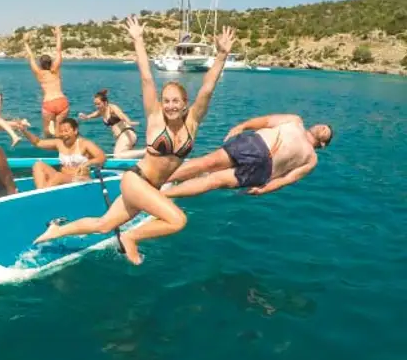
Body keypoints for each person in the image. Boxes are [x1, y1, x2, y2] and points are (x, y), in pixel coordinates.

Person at [33, 15, 237, 264]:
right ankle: (130, 238)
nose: (170, 105)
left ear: (185, 105)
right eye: (167, 100)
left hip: (149, 189)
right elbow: (147, 78)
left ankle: (56, 231)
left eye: (176, 101)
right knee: (178, 220)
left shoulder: (193, 121)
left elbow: (207, 88)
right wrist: (138, 40)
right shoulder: (155, 118)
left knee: (104, 225)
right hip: (136, 180)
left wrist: (222, 55)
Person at [161, 114, 333, 197]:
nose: (324, 127)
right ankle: (157, 181)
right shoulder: (296, 121)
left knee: (213, 181)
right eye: (324, 125)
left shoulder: (312, 159)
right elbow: (266, 121)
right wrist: (244, 126)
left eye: (327, 132)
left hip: (263, 171)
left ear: (323, 144)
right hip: (255, 145)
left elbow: (288, 178)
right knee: (208, 162)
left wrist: (265, 189)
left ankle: (161, 196)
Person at [16, 117, 106, 189]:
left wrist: (87, 163)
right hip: (63, 177)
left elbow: (102, 157)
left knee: (58, 176)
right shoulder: (59, 143)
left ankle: (42, 194)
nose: (63, 134)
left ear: (75, 131)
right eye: (61, 131)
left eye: (66, 131)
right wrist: (24, 131)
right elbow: (38, 142)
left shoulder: (84, 143)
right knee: (38, 165)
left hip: (79, 179)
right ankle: (41, 192)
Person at [23, 26, 69, 136]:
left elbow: (30, 56)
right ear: (51, 62)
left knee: (47, 132)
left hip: (49, 103)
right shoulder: (56, 70)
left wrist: (26, 42)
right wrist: (58, 35)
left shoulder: (39, 74)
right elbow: (58, 51)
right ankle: (61, 146)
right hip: (62, 101)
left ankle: (50, 139)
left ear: (40, 64)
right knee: (60, 131)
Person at [78, 89, 144, 159]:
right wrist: (86, 117)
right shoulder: (101, 111)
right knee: (124, 156)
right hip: (121, 137)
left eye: (98, 104)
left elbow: (121, 114)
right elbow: (94, 114)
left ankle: (146, 152)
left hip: (126, 134)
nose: (97, 106)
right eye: (95, 104)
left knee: (117, 155)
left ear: (105, 103)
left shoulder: (112, 108)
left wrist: (128, 121)